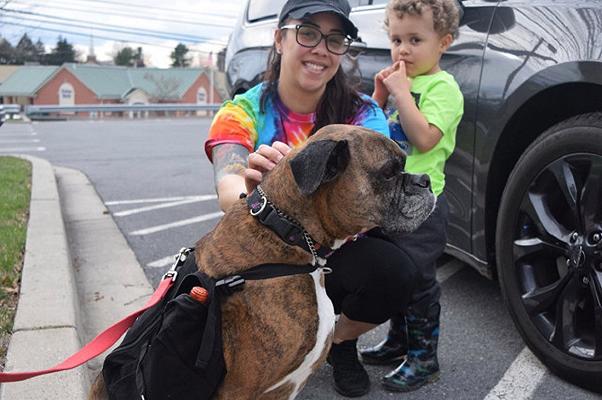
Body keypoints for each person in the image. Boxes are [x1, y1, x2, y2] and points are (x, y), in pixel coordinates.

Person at [204, 0, 421, 397]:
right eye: (307, 33)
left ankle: (336, 341)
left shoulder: (362, 113)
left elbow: (381, 189)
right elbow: (228, 186)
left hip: (340, 248)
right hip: (270, 246)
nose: (321, 48)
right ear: (280, 40)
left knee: (395, 271)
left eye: (335, 39)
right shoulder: (242, 111)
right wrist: (258, 197)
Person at [359, 0, 464, 393]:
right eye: (396, 39)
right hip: (388, 201)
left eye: (415, 39)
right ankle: (398, 342)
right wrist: (380, 96)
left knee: (419, 282)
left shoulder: (442, 88)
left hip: (422, 205)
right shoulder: (402, 84)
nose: (403, 49)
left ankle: (424, 358)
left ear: (444, 42)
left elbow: (423, 138)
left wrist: (401, 93)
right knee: (396, 276)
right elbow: (375, 136)